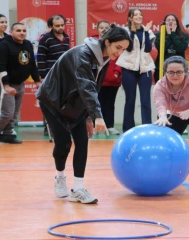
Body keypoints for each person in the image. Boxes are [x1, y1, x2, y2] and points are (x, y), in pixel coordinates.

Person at [35, 24, 131, 204]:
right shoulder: (83, 55)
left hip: (75, 103)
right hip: (53, 101)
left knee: (82, 141)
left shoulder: (105, 58)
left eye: (124, 50)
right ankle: (60, 176)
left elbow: (94, 88)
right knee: (63, 143)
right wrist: (97, 115)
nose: (119, 53)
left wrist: (87, 115)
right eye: (118, 47)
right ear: (107, 42)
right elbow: (86, 85)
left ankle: (78, 188)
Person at [153, 56, 189, 183]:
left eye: (179, 72)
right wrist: (162, 116)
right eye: (171, 72)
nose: (175, 75)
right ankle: (167, 169)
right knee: (166, 141)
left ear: (186, 71)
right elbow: (160, 103)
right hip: (174, 112)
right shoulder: (160, 86)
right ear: (165, 72)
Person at [0, 23, 40, 145]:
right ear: (11, 32)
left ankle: (7, 134)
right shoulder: (4, 46)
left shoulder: (27, 44)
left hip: (20, 83)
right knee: (8, 113)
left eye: (24, 30)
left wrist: (37, 81)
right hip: (5, 83)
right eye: (18, 30)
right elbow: (1, 67)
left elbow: (31, 64)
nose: (22, 33)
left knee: (14, 113)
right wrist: (6, 86)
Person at [116, 8, 155, 133]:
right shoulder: (125, 31)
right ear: (130, 18)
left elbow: (148, 49)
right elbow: (129, 48)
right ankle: (128, 129)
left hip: (145, 68)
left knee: (145, 100)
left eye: (140, 14)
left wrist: (147, 32)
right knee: (130, 100)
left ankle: (147, 127)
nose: (138, 16)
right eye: (135, 15)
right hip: (128, 68)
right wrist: (132, 33)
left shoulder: (147, 31)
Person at [37, 15, 70, 136]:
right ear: (51, 26)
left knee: (63, 101)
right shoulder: (45, 39)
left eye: (62, 25)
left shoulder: (66, 37)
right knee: (49, 101)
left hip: (64, 75)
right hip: (50, 75)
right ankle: (49, 127)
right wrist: (43, 76)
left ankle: (63, 124)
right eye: (57, 25)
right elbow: (40, 58)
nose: (60, 27)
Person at [94, 20, 122, 135]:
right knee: (96, 103)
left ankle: (109, 126)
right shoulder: (93, 43)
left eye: (106, 27)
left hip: (113, 81)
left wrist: (116, 72)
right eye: (101, 28)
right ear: (97, 30)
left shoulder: (116, 43)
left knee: (110, 104)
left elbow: (121, 58)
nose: (104, 29)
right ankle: (96, 127)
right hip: (97, 80)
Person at [154, 14, 189, 82]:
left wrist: (172, 34)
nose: (170, 22)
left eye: (173, 20)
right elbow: (161, 49)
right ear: (164, 23)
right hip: (161, 68)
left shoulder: (184, 36)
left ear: (177, 23)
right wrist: (168, 34)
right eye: (168, 20)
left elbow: (180, 49)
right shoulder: (158, 35)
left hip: (178, 69)